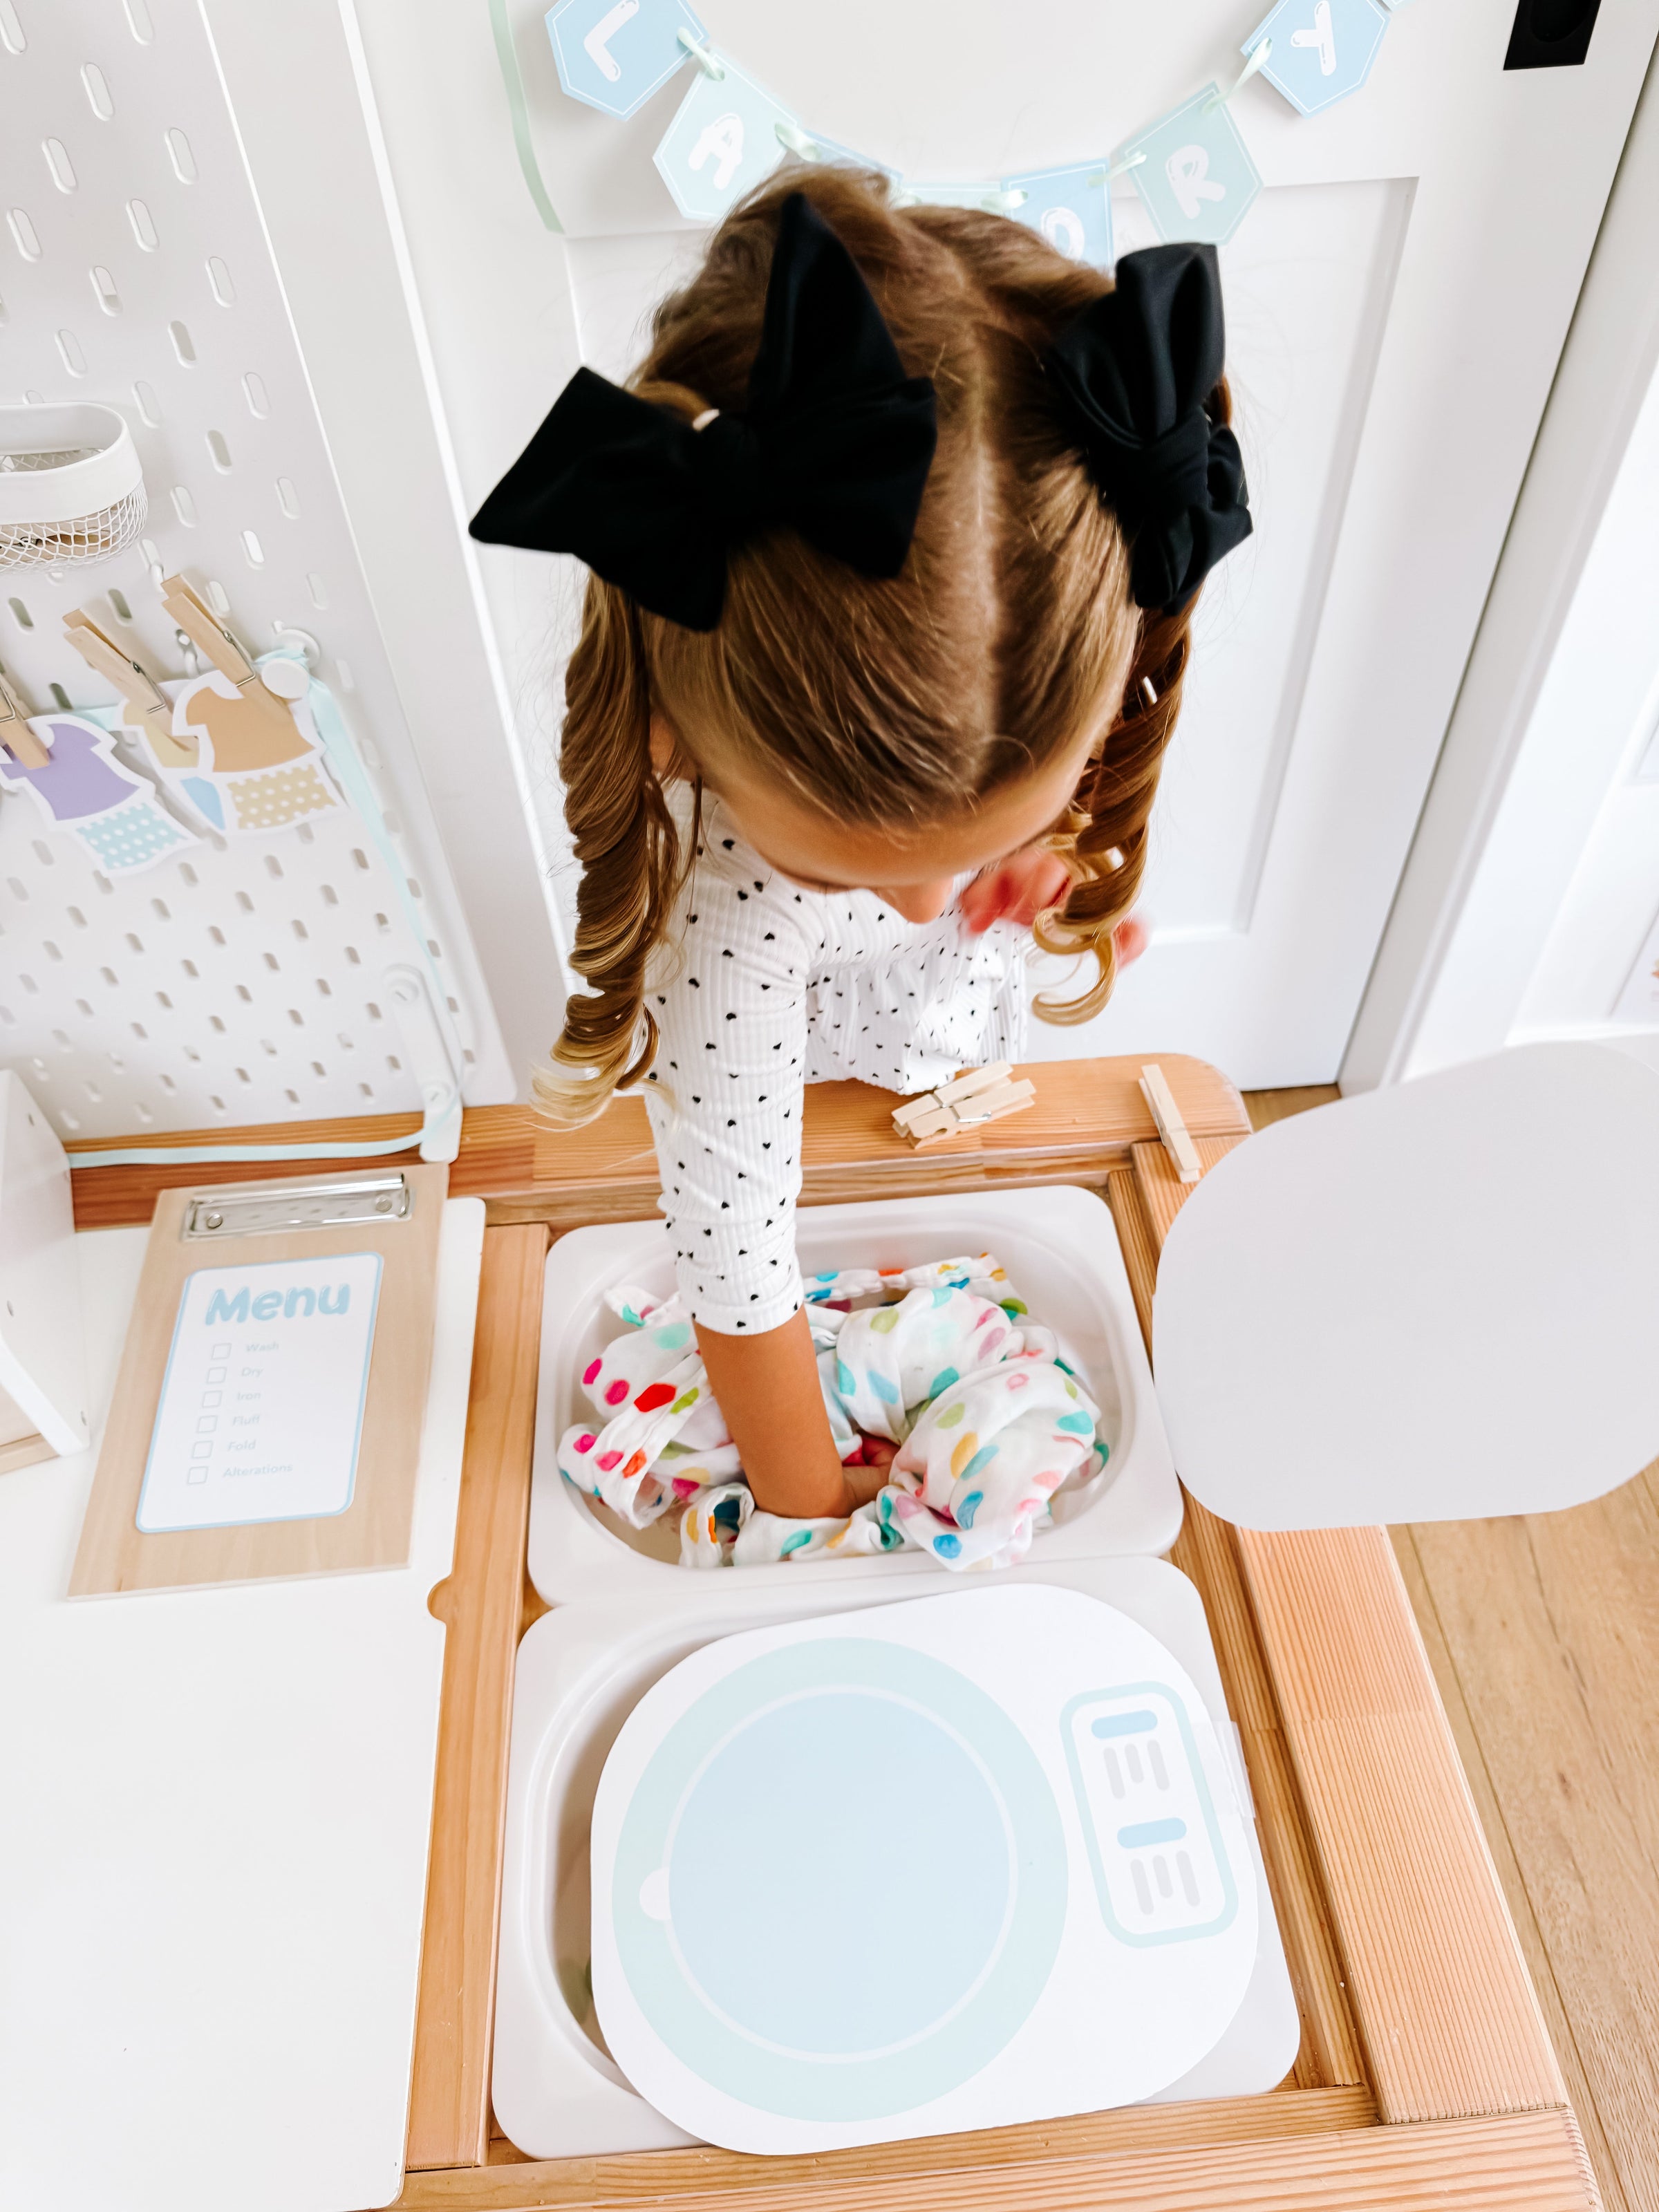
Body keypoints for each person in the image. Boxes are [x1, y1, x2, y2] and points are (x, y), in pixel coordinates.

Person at [471, 169, 1250, 1525]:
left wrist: (1055, 882)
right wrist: (808, 1491)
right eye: (850, 872)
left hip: (929, 1101)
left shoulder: (1003, 683)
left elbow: (989, 863)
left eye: (985, 841)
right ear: (676, 739)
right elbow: (737, 1266)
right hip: (813, 1102)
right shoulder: (735, 941)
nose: (931, 900)